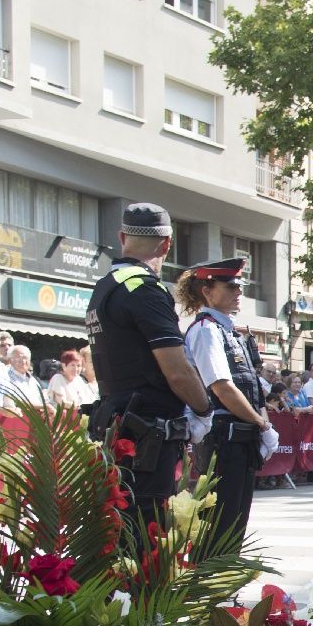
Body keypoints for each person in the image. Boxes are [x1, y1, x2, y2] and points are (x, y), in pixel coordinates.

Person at [84, 202, 211, 539]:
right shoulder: (146, 290)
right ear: (166, 244)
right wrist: (203, 408)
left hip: (116, 426)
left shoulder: (104, 288)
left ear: (122, 237)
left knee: (119, 533)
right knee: (145, 537)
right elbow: (177, 370)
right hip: (148, 438)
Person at [176, 258, 271, 549]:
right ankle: (211, 589)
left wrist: (262, 421)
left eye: (239, 286)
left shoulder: (228, 331)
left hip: (239, 440)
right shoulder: (206, 330)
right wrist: (260, 423)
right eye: (230, 286)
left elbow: (251, 385)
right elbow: (221, 387)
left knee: (235, 525)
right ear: (207, 290)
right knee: (220, 526)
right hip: (222, 441)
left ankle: (226, 587)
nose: (238, 292)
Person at [2, 344, 48, 410]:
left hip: (37, 418)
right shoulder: (5, 378)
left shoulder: (34, 381)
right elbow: (16, 402)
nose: (23, 361)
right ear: (10, 360)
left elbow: (44, 400)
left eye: (25, 358)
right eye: (19, 358)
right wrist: (43, 407)